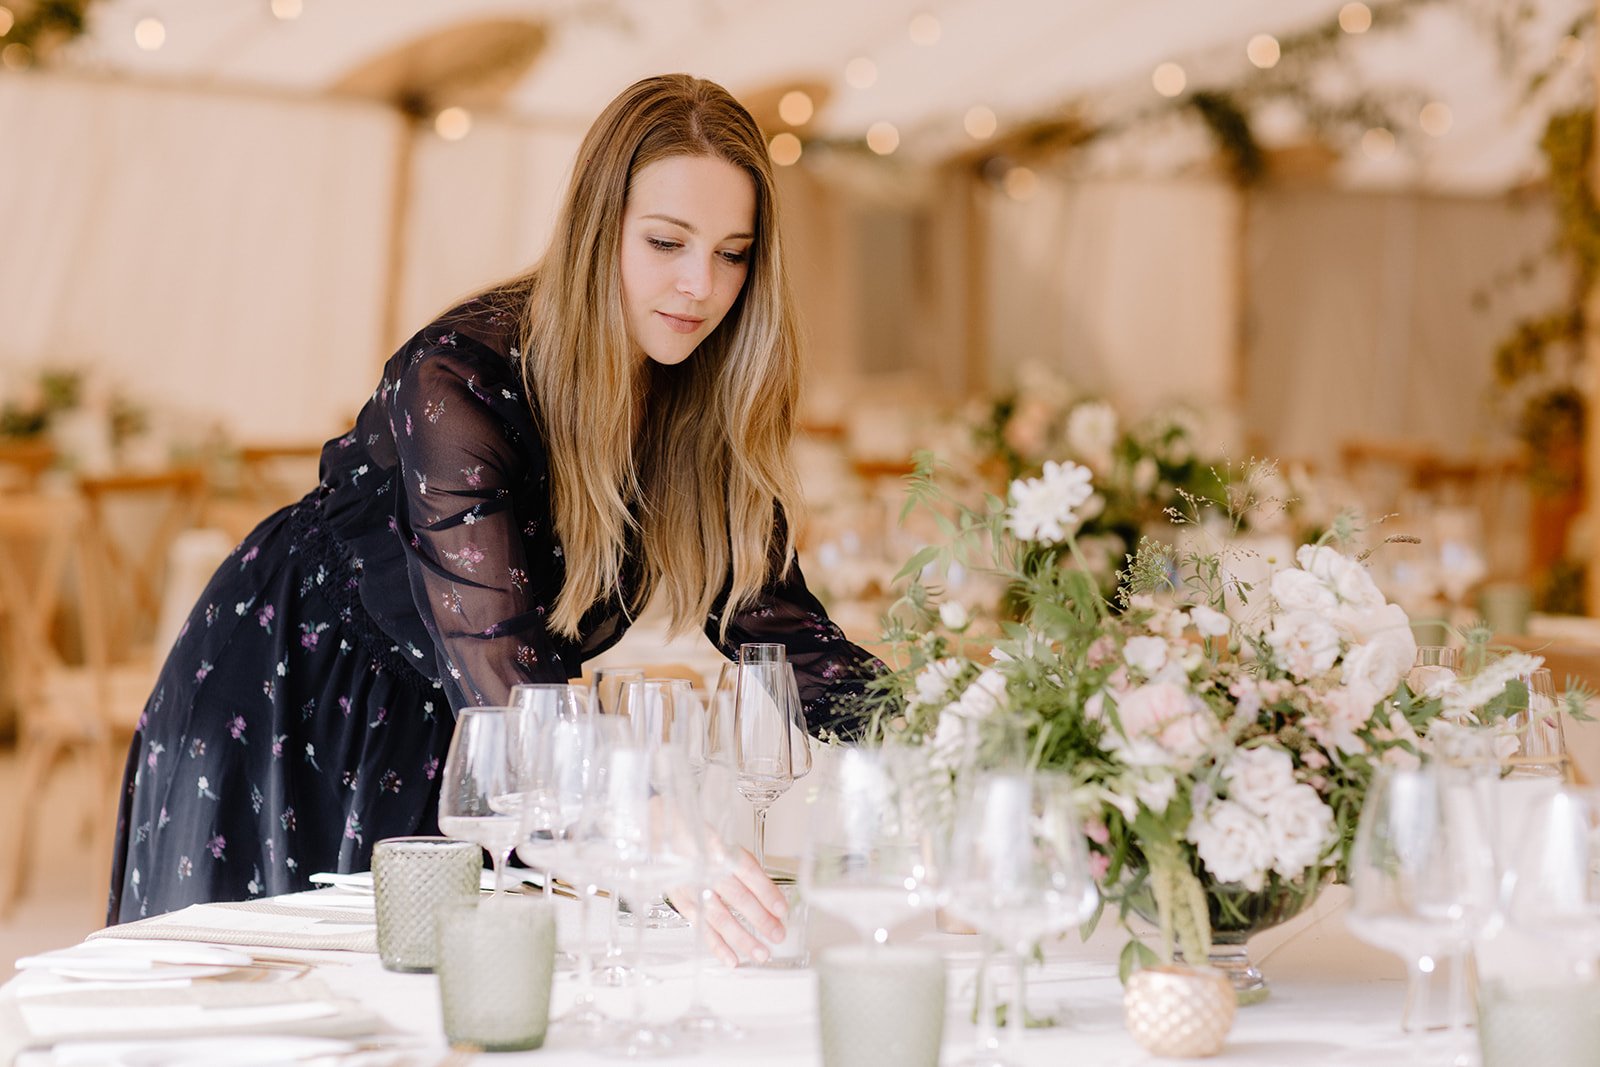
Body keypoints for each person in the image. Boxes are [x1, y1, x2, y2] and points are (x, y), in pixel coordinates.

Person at [107, 74, 880, 966]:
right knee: (262, 1006)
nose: (700, 285)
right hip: (291, 692)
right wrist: (663, 833)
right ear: (600, 228)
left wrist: (975, 741)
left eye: (734, 253)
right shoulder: (459, 377)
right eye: (667, 241)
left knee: (442, 1004)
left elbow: (788, 637)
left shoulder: (700, 404)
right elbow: (512, 682)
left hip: (461, 730)